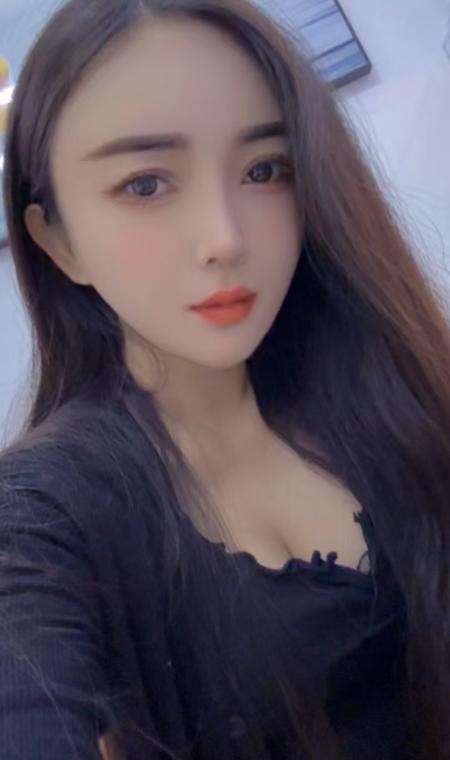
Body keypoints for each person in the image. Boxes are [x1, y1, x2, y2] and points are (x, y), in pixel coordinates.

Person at [1, 0, 449, 758]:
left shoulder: (392, 390)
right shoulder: (42, 515)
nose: (224, 238)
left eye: (263, 170)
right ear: (58, 241)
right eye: (145, 185)